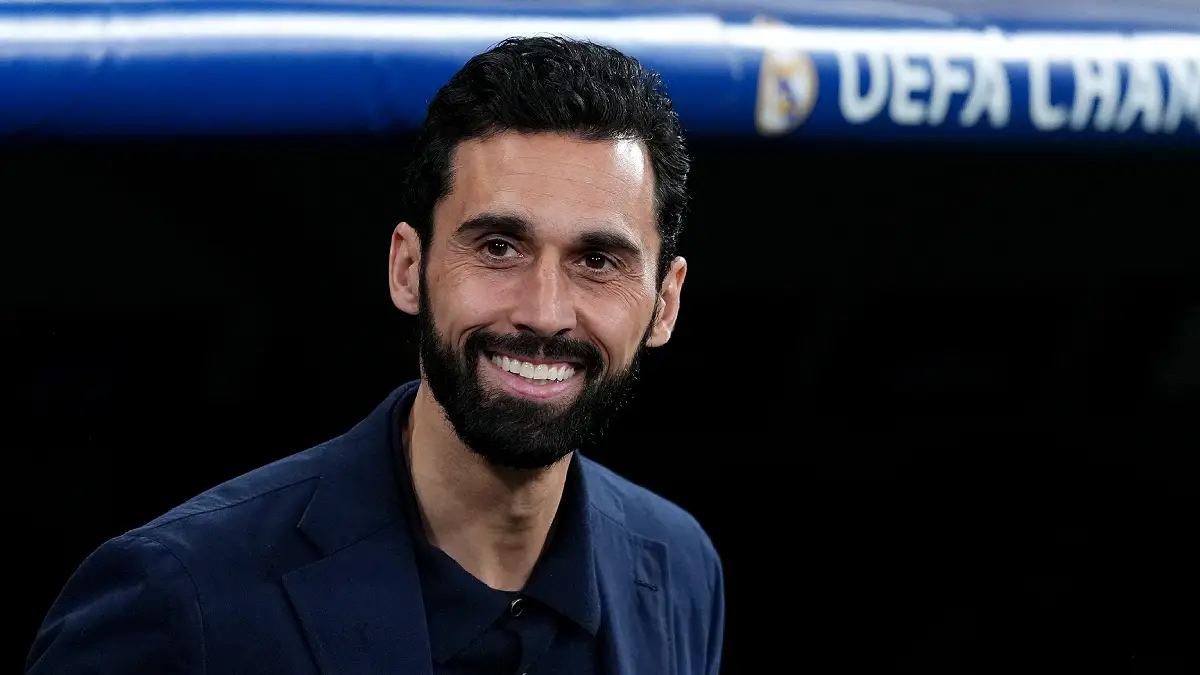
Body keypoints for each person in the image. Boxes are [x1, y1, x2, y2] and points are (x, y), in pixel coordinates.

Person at [26, 36, 724, 675]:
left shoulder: (680, 567)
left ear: (665, 302)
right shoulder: (180, 597)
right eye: (498, 248)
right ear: (407, 268)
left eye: (597, 260)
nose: (544, 312)